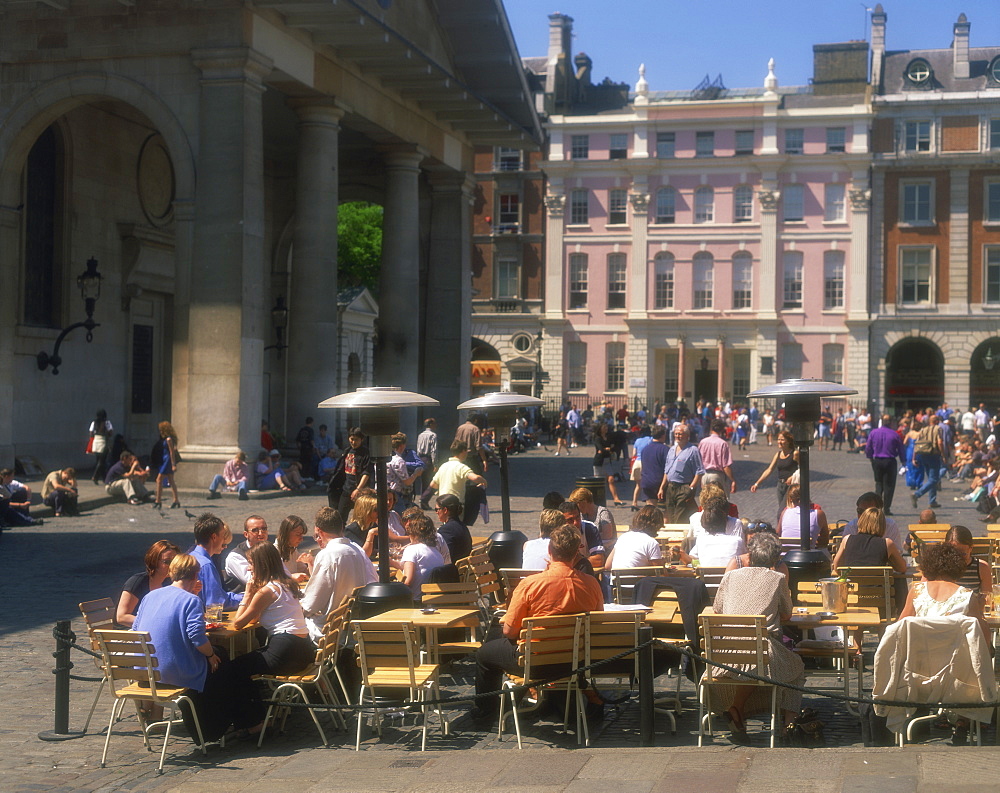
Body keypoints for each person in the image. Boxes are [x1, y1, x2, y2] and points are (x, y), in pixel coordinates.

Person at [470, 523, 604, 719]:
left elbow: (510, 632)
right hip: (574, 661)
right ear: (578, 552)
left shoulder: (530, 584)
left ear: (549, 551)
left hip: (535, 661)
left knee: (484, 654)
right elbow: (596, 622)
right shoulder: (591, 583)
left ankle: (487, 710)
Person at [132, 553, 236, 741]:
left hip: (145, 672)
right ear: (196, 575)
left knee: (212, 660)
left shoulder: (151, 596)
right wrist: (211, 654)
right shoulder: (191, 601)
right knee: (220, 659)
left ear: (172, 573)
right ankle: (210, 729)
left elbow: (135, 629)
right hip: (173, 673)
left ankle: (206, 724)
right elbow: (197, 637)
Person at [711, 532, 805, 741]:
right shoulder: (777, 578)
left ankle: (737, 708)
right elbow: (787, 614)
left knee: (753, 665)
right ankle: (788, 724)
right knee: (796, 666)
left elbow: (717, 610)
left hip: (724, 654)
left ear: (750, 554)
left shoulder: (730, 575)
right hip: (762, 651)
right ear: (774, 559)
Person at [233, 543, 315, 678]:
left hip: (284, 651)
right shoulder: (287, 584)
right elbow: (254, 619)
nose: (248, 568)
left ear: (262, 565)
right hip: (303, 650)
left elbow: (238, 624)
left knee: (231, 668)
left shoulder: (267, 591)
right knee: (244, 665)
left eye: (251, 563)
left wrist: (247, 594)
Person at [301, 507, 376, 641]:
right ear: (341, 527)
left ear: (319, 530)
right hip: (347, 623)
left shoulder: (328, 555)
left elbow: (312, 602)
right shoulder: (356, 549)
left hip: (327, 628)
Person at [116, 539, 180, 626]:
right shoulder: (138, 582)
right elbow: (121, 617)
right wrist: (153, 623)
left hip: (153, 631)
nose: (172, 565)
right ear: (154, 561)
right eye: (167, 562)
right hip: (128, 633)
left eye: (175, 561)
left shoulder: (170, 582)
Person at [191, 513, 242, 611]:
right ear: (214, 537)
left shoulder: (191, 557)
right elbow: (216, 602)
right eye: (223, 536)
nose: (224, 542)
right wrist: (246, 598)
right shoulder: (206, 565)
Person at [428, 440, 487, 525]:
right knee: (456, 527)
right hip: (455, 504)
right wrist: (484, 481)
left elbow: (433, 484)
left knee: (447, 527)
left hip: (442, 504)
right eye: (466, 451)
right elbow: (476, 478)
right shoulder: (461, 467)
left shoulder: (444, 466)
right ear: (463, 451)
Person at [832, 508, 906, 575]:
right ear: (882, 525)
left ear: (861, 521)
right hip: (878, 589)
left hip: (851, 588)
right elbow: (902, 568)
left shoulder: (847, 539)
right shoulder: (887, 543)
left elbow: (837, 567)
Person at [392, 513, 445, 602]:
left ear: (413, 533)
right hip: (433, 600)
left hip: (415, 601)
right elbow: (414, 567)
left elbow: (408, 581)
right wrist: (390, 562)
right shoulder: (436, 552)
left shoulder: (411, 550)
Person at [657, 424, 705, 522]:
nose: (678, 436)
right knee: (670, 514)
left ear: (687, 435)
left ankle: (678, 535)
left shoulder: (693, 450)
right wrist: (662, 487)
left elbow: (699, 471)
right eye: (676, 434)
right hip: (671, 487)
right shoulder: (671, 449)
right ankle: (672, 534)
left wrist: (691, 488)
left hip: (684, 487)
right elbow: (667, 470)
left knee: (680, 515)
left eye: (680, 434)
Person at [684, 499, 747, 568]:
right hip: (730, 577)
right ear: (726, 522)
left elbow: (692, 559)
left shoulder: (701, 540)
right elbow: (746, 559)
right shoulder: (737, 541)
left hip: (706, 578)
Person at [326, 428, 372, 518]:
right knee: (340, 516)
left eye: (356, 440)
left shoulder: (365, 453)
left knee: (362, 517)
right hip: (346, 489)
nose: (354, 442)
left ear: (361, 440)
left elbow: (366, 473)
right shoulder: (347, 451)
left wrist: (358, 489)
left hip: (361, 491)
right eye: (352, 439)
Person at [750, 430, 799, 512]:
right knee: (783, 509)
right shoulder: (778, 454)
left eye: (782, 440)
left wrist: (793, 476)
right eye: (778, 439)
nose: (779, 442)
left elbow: (802, 469)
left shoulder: (795, 453)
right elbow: (769, 470)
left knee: (783, 510)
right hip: (780, 485)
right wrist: (757, 483)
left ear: (788, 441)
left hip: (791, 486)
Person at [866, 415, 905, 515]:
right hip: (890, 461)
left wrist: (870, 458)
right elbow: (901, 449)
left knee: (878, 484)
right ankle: (886, 508)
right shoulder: (895, 434)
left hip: (877, 460)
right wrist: (903, 461)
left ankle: (877, 507)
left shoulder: (873, 432)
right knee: (889, 486)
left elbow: (868, 447)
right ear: (891, 422)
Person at [777, 484, 829, 550]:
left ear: (791, 500)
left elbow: (778, 535)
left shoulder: (785, 512)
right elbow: (824, 540)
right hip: (808, 558)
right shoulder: (818, 514)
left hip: (786, 557)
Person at [224, 515, 269, 590]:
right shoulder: (236, 556)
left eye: (264, 529)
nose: (261, 533)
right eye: (255, 530)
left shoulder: (270, 550)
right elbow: (253, 582)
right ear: (246, 534)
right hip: (241, 598)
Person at [569, 486, 617, 555]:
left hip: (605, 552)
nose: (575, 508)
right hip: (588, 551)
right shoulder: (582, 515)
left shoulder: (603, 513)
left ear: (584, 502)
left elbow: (607, 537)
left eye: (576, 504)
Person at [945, 525, 992, 596]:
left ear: (971, 548)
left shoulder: (981, 568)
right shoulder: (936, 566)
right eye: (952, 553)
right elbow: (923, 593)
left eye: (962, 553)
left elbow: (987, 598)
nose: (957, 557)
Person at [910, 414, 944, 510]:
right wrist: (943, 455)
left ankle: (932, 501)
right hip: (934, 454)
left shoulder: (923, 430)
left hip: (923, 455)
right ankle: (917, 495)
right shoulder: (938, 429)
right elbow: (940, 442)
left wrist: (914, 458)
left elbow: (916, 444)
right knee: (934, 479)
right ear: (937, 421)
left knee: (930, 479)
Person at [698, 419, 737, 495]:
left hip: (704, 476)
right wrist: (733, 480)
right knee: (719, 501)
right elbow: (726, 466)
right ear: (722, 430)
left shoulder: (703, 442)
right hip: (717, 476)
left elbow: (698, 461)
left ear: (711, 428)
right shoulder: (723, 444)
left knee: (705, 501)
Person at [386, 431, 423, 510]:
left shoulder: (386, 457)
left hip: (383, 490)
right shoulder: (399, 461)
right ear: (402, 445)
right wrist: (416, 473)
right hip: (395, 494)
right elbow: (407, 482)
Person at [151, 421, 180, 510]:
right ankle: (176, 500)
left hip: (167, 461)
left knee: (159, 479)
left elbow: (172, 452)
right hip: (164, 460)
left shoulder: (168, 439)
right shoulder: (164, 439)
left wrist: (173, 464)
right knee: (171, 481)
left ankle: (158, 501)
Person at [435, 493, 472, 562]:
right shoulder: (462, 526)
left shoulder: (446, 530)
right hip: (462, 567)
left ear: (445, 510)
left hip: (452, 570)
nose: (436, 512)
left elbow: (444, 555)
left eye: (437, 509)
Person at [592, 423, 622, 506]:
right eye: (604, 427)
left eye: (606, 427)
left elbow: (614, 447)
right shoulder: (597, 438)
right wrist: (607, 449)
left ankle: (616, 499)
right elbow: (600, 449)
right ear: (600, 428)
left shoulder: (608, 437)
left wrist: (607, 449)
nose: (606, 428)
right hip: (599, 462)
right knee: (598, 482)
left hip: (607, 461)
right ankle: (596, 500)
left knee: (611, 479)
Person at [639, 425, 669, 505]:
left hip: (647, 482)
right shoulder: (665, 449)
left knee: (650, 509)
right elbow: (668, 470)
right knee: (664, 511)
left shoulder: (645, 449)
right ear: (663, 435)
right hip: (659, 483)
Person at [275, 514, 310, 581]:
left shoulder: (293, 551)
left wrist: (310, 562)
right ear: (286, 533)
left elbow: (304, 571)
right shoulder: (274, 552)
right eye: (298, 535)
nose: (301, 539)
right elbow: (272, 578)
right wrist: (291, 577)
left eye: (302, 535)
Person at [417, 418, 438, 508]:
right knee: (431, 481)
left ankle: (423, 502)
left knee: (423, 481)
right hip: (428, 459)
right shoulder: (433, 435)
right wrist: (435, 464)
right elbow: (434, 450)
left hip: (421, 458)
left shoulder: (420, 435)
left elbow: (417, 448)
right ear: (431, 425)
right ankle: (424, 499)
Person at [88, 409, 113, 484]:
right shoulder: (107, 422)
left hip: (96, 441)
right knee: (102, 461)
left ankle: (105, 479)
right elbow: (110, 432)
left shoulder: (94, 423)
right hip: (103, 441)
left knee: (98, 460)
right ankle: (95, 476)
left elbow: (91, 433)